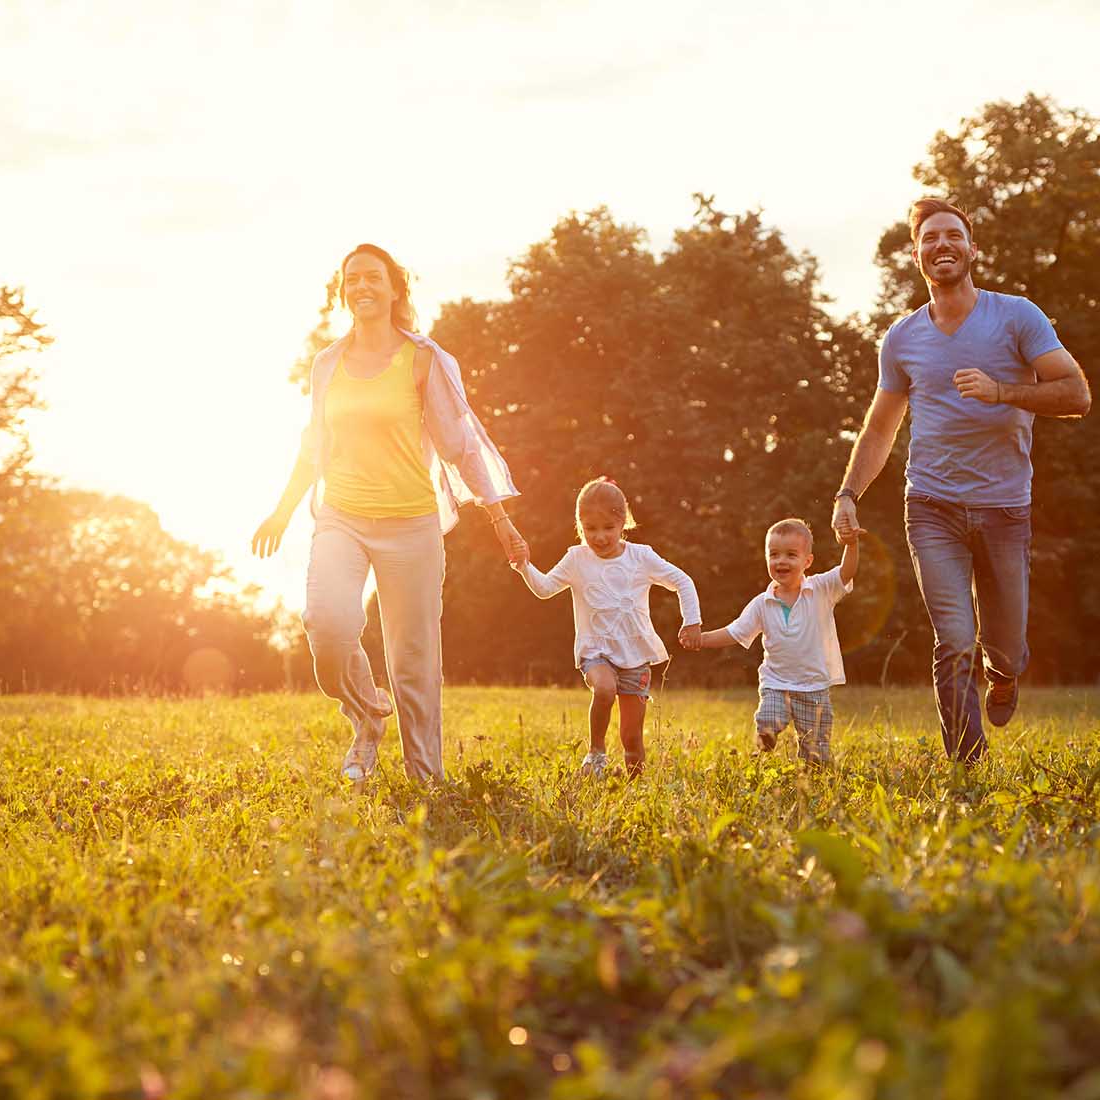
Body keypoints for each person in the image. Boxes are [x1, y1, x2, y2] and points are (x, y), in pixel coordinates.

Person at [250, 243, 526, 782]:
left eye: (373, 278)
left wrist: (500, 517)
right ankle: (366, 716)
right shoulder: (327, 363)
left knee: (414, 659)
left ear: (396, 287)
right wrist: (281, 512)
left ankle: (427, 778)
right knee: (327, 624)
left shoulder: (422, 359)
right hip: (342, 517)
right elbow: (314, 445)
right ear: (342, 291)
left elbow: (459, 446)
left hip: (412, 525)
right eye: (352, 279)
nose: (362, 287)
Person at [831, 198, 1091, 763]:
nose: (942, 245)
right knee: (953, 638)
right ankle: (967, 767)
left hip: (1004, 509)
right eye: (930, 238)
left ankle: (1005, 671)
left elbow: (1077, 394)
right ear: (917, 254)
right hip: (931, 507)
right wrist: (848, 494)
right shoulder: (902, 338)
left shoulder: (1017, 316)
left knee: (1006, 643)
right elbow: (879, 429)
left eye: (953, 235)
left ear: (973, 249)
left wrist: (1003, 392)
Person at [512, 477, 701, 776]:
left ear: (623, 522)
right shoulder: (577, 559)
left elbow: (682, 581)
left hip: (636, 656)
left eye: (608, 528)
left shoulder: (641, 556)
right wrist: (524, 565)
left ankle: (635, 788)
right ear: (579, 526)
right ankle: (596, 753)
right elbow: (545, 588)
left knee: (632, 738)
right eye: (590, 529)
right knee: (604, 688)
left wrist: (692, 622)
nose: (599, 537)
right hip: (595, 650)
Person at [689, 518, 861, 765]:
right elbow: (735, 631)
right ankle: (764, 743)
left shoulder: (821, 589)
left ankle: (815, 778)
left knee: (817, 752)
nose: (781, 561)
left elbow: (847, 572)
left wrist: (852, 544)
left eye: (791, 555)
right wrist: (702, 640)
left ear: (807, 561)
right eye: (774, 554)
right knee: (768, 719)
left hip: (814, 686)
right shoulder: (762, 603)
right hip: (776, 683)